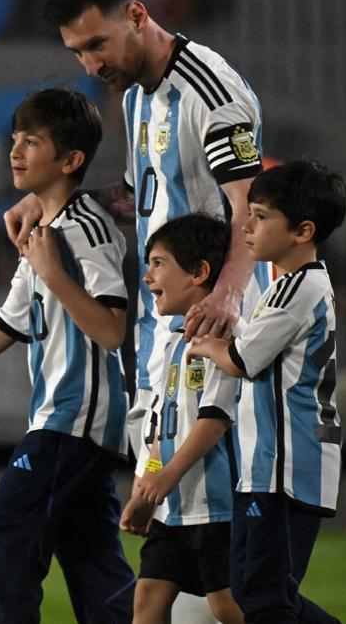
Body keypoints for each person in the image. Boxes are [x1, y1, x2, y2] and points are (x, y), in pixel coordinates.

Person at [4, 0, 264, 456]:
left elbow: (250, 207)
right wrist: (48, 201)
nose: (89, 65)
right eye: (77, 52)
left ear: (138, 15)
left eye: (98, 44)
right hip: (160, 320)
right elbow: (139, 195)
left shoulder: (209, 92)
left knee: (212, 506)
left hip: (217, 319)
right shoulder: (135, 98)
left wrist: (227, 297)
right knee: (165, 505)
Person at [0, 89, 136, 623]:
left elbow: (112, 329)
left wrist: (53, 274)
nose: (15, 151)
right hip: (70, 421)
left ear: (71, 160)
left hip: (72, 418)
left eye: (32, 141)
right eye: (14, 140)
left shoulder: (86, 230)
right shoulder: (45, 231)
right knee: (95, 566)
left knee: (6, 535)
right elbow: (11, 319)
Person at [189, 160, 346, 624]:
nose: (247, 226)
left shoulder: (299, 288)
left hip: (285, 466)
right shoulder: (293, 286)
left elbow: (239, 360)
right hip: (272, 466)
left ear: (302, 231)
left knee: (265, 598)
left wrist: (206, 345)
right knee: (258, 592)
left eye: (260, 217)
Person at [119, 213, 244, 624]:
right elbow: (163, 426)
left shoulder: (223, 335)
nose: (148, 275)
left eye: (159, 263)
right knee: (148, 599)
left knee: (227, 606)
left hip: (217, 504)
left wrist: (166, 476)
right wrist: (145, 490)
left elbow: (214, 419)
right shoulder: (175, 341)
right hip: (174, 506)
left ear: (199, 273)